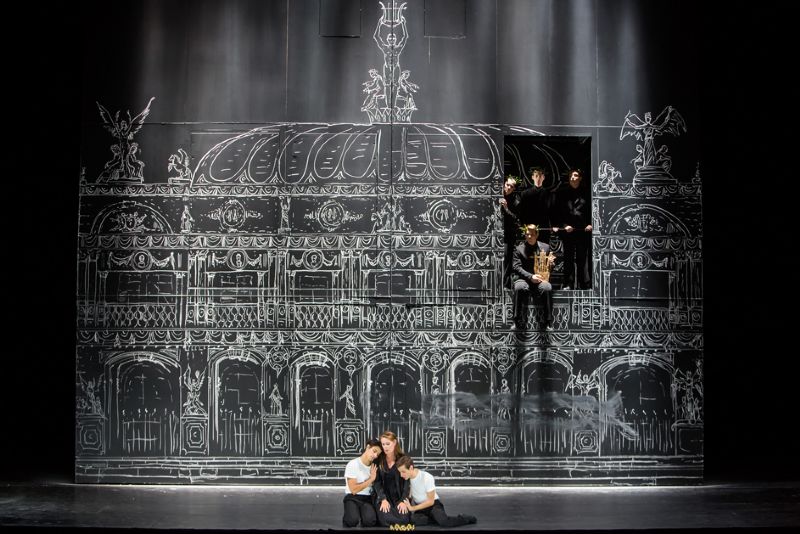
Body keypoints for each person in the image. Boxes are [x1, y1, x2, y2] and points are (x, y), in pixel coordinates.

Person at [396, 455, 477, 527]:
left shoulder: (426, 477)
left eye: (403, 472)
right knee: (412, 520)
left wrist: (413, 508)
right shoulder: (407, 479)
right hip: (420, 508)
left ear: (411, 468)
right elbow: (409, 495)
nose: (401, 475)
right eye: (400, 472)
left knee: (444, 522)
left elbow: (430, 502)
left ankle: (464, 518)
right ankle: (435, 518)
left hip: (433, 506)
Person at [511, 224, 554, 331]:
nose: (529, 237)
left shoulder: (545, 247)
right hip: (524, 278)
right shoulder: (519, 249)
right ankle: (516, 320)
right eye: (527, 234)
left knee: (547, 287)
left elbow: (550, 267)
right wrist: (530, 277)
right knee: (519, 287)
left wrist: (551, 264)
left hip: (540, 279)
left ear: (537, 235)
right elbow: (516, 267)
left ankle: (548, 321)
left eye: (532, 234)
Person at [554, 169, 592, 290]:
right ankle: (568, 284)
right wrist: (564, 225)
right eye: (571, 176)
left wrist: (590, 224)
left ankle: (583, 284)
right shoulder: (563, 193)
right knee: (568, 258)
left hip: (582, 231)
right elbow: (558, 212)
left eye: (575, 175)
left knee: (582, 259)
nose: (572, 177)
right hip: (568, 232)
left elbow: (591, 210)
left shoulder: (587, 193)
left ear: (580, 178)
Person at [373, 430, 412, 527]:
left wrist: (403, 501)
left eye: (388, 444)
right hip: (384, 497)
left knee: (404, 520)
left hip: (399, 497)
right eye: (383, 444)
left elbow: (407, 483)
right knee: (385, 520)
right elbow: (377, 482)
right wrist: (383, 499)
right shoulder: (379, 460)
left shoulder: (403, 459)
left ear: (394, 442)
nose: (385, 447)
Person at [342, 438, 381, 528]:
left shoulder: (374, 467)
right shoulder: (353, 464)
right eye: (374, 451)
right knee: (352, 521)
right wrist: (371, 479)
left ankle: (363, 515)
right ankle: (352, 514)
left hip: (367, 498)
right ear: (368, 447)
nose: (375, 456)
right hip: (352, 497)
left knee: (370, 521)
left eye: (378, 454)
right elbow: (353, 490)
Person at [519, 166, 555, 243]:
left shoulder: (550, 194)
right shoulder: (525, 194)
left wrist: (553, 225)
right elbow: (522, 212)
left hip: (544, 228)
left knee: (544, 249)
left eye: (540, 176)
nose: (538, 178)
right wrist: (524, 227)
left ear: (543, 177)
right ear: (532, 177)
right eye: (536, 176)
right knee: (529, 249)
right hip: (529, 228)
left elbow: (553, 212)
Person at [499, 175, 522, 289]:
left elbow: (516, 218)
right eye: (507, 185)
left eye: (511, 186)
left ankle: (505, 285)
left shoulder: (516, 200)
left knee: (506, 258)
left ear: (514, 189)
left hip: (508, 234)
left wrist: (506, 208)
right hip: (495, 232)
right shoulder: (498, 194)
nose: (508, 187)